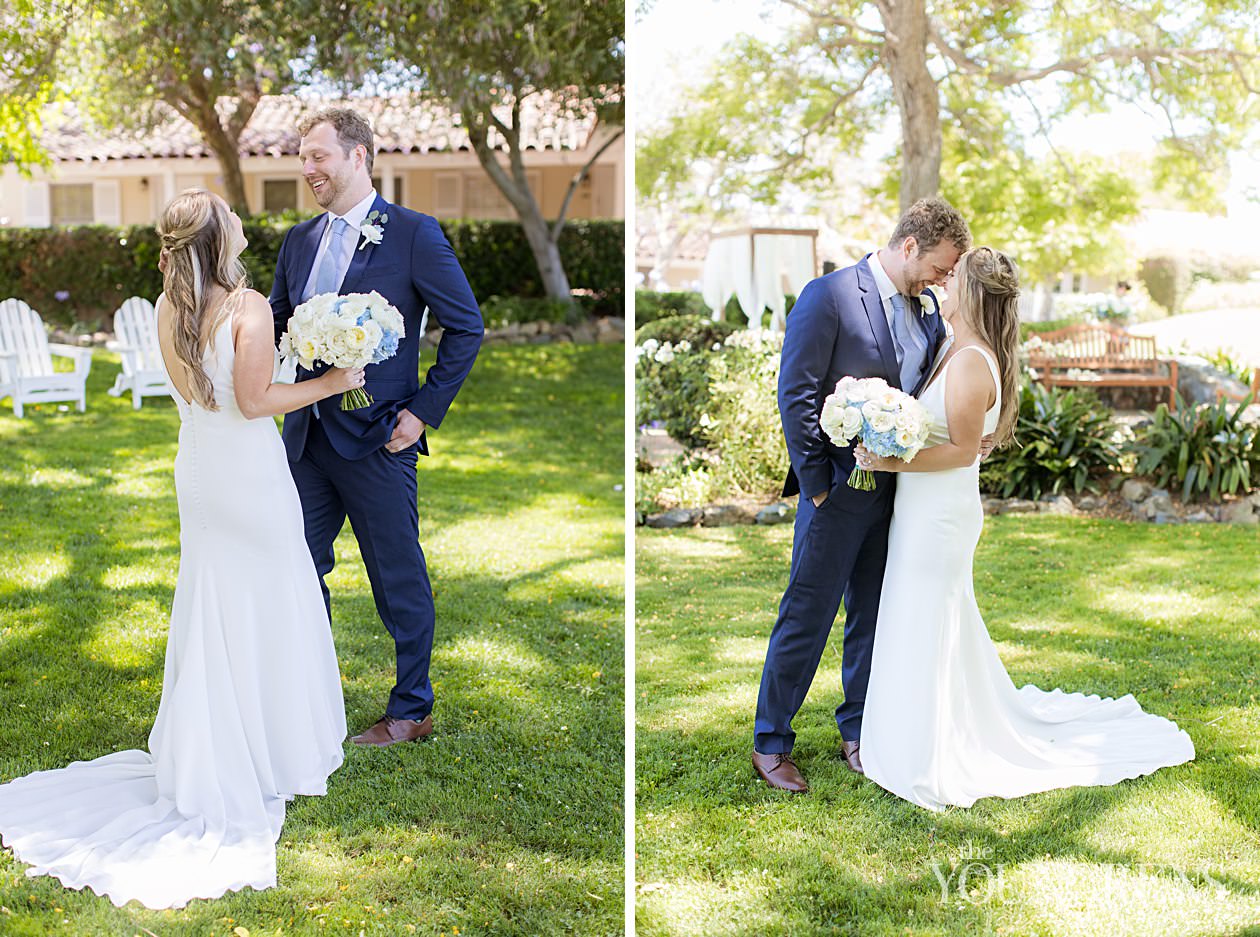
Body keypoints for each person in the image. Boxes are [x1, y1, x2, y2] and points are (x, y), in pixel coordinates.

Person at [0, 189, 357, 907]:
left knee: (214, 603)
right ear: (220, 236)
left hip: (199, 471)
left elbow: (207, 398)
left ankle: (220, 738)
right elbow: (254, 402)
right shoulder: (247, 306)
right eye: (231, 217)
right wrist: (330, 382)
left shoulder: (169, 306)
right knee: (270, 596)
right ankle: (272, 746)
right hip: (249, 477)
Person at [856, 247, 1194, 810]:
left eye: (954, 276)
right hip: (922, 509)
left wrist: (889, 461)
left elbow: (963, 452)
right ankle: (914, 730)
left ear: (972, 293)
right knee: (920, 616)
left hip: (940, 515)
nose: (944, 278)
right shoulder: (951, 346)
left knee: (926, 616)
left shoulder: (969, 360)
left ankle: (929, 746)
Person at [269, 107, 483, 747]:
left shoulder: (414, 234)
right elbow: (280, 327)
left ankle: (411, 708)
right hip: (306, 437)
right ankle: (310, 694)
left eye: (318, 156)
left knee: (397, 577)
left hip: (379, 438)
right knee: (294, 566)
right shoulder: (298, 242)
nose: (308, 168)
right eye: (303, 157)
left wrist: (420, 413)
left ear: (358, 156)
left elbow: (465, 327)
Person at [753, 197, 972, 792]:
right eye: (942, 267)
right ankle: (771, 740)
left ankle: (859, 729)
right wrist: (818, 488)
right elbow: (795, 394)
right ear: (909, 246)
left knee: (873, 616)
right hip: (836, 494)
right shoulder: (829, 296)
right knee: (808, 615)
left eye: (951, 273)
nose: (944, 279)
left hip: (897, 497)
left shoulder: (928, 313)